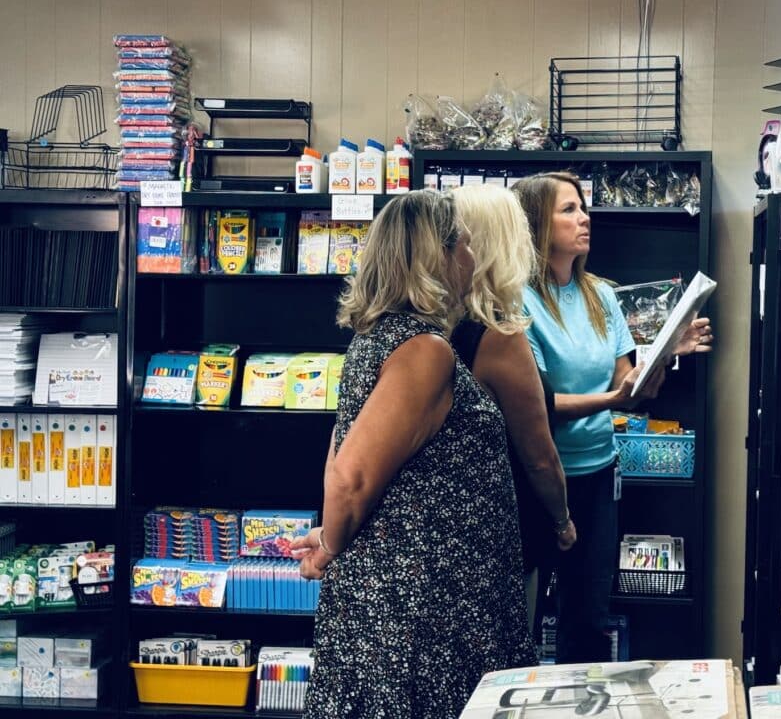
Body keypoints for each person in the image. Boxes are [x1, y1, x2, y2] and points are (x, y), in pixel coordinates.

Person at [290, 190, 535, 719]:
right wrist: (331, 541)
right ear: (439, 255)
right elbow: (350, 479)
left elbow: (344, 456)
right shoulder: (425, 351)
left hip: (416, 600)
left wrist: (334, 539)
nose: (473, 257)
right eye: (465, 245)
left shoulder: (380, 338)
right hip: (421, 609)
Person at [512, 172, 713, 664]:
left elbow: (632, 388)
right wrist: (613, 399)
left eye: (583, 207)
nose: (585, 218)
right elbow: (537, 404)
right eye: (568, 209)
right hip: (537, 481)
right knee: (523, 619)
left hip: (599, 475)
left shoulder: (600, 295)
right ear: (537, 222)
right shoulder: (518, 301)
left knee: (588, 619)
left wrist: (665, 354)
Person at [449, 184, 577, 631]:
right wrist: (562, 520)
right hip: (503, 531)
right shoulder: (500, 335)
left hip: (443, 531)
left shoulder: (434, 326)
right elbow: (538, 457)